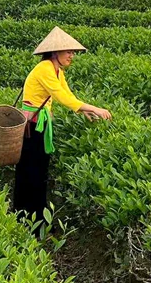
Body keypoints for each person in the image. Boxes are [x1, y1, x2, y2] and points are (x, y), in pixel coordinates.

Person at [14, 26, 112, 227]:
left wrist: (83, 110)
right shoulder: (44, 69)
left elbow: (68, 95)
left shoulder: (56, 71)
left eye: (72, 52)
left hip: (40, 126)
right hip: (32, 128)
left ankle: (35, 221)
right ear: (55, 52)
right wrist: (95, 108)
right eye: (68, 51)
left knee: (39, 172)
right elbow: (61, 96)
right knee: (31, 172)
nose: (72, 56)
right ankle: (26, 221)